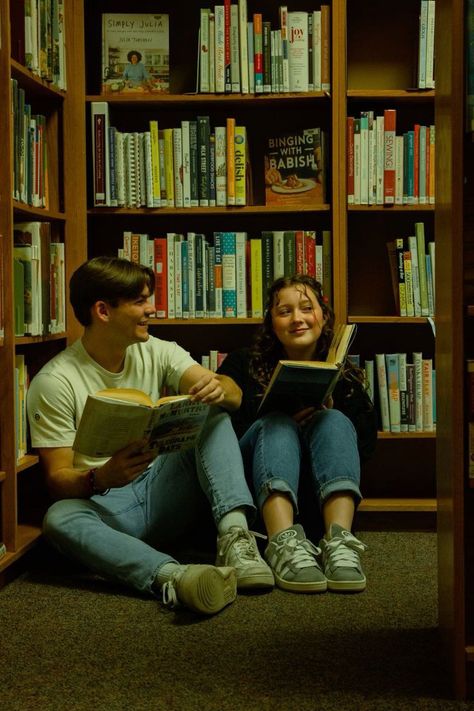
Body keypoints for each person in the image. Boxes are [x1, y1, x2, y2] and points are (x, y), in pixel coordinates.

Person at [27, 257, 274, 616]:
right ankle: (176, 577)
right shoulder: (55, 381)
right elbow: (57, 479)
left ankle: (235, 537)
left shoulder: (158, 350)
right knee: (59, 518)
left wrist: (217, 388)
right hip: (110, 507)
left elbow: (233, 395)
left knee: (210, 413)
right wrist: (101, 477)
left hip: (164, 488)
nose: (152, 309)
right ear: (103, 311)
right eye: (140, 301)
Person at [217, 274, 378, 594]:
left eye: (307, 308)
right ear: (272, 322)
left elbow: (366, 446)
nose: (297, 318)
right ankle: (282, 544)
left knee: (332, 420)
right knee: (278, 424)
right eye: (284, 311)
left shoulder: (342, 371)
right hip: (260, 492)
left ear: (323, 316)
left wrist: (331, 412)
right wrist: (275, 416)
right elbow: (220, 437)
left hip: (317, 499)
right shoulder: (242, 363)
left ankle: (339, 542)